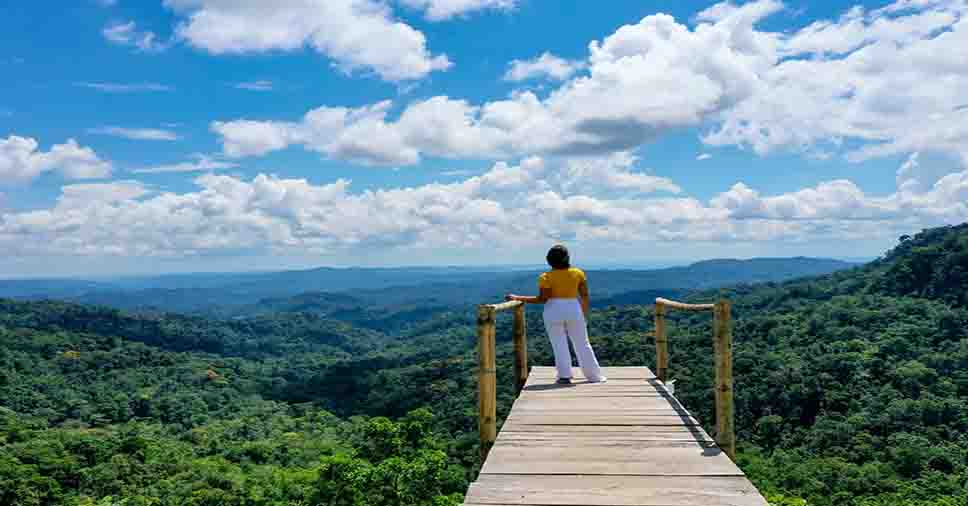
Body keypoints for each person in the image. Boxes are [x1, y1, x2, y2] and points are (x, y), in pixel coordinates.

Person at [506, 245, 607, 384]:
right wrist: (584, 313)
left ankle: (564, 376)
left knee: (558, 343)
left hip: (553, 310)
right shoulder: (578, 273)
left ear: (549, 260)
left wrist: (518, 297)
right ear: (567, 258)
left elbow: (542, 299)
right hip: (573, 308)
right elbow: (584, 295)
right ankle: (594, 376)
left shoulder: (545, 277)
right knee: (582, 343)